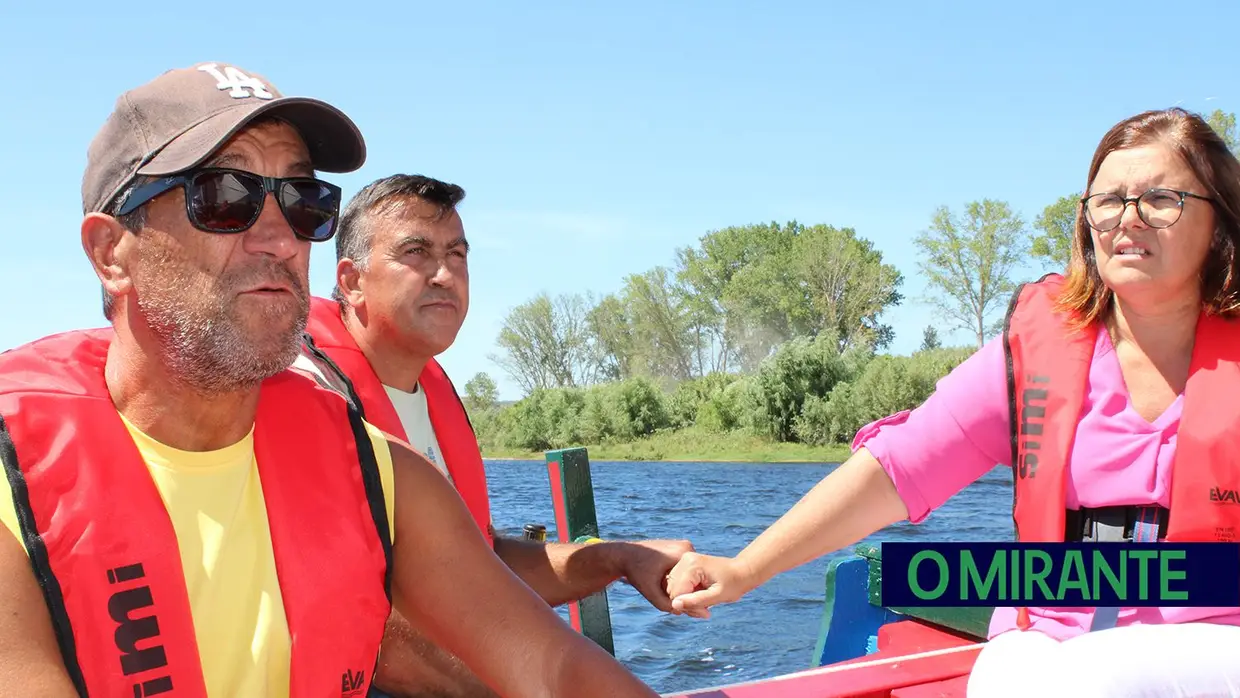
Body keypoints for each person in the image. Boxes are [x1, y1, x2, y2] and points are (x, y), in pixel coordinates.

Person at [0, 61, 660, 698]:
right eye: (225, 197)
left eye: (303, 202)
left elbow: (551, 672)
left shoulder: (379, 475)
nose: (279, 237)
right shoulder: (13, 488)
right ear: (111, 252)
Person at [663, 107, 1240, 697]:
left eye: (1160, 199)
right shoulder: (1031, 360)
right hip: (1050, 637)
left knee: (1088, 682)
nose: (1128, 219)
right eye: (1108, 200)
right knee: (1005, 674)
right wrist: (744, 569)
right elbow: (897, 468)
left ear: (1217, 221)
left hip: (1216, 635)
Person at [291, 173, 695, 697]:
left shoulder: (431, 392)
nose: (444, 274)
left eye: (458, 255)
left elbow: (479, 570)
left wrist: (620, 558)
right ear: (350, 281)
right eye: (416, 252)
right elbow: (378, 632)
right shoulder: (308, 398)